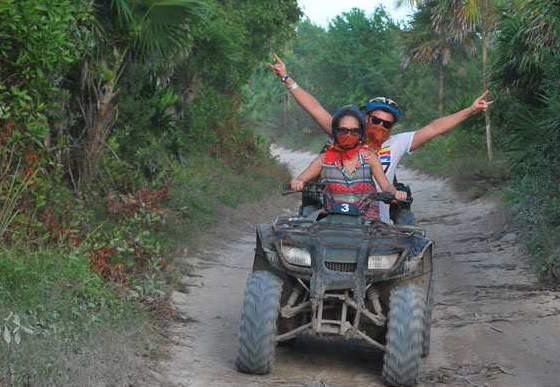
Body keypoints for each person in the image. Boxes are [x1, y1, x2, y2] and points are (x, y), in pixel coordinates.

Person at [270, 54, 493, 221]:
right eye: (376, 120)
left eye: (387, 123)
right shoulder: (345, 133)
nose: (380, 127)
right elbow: (315, 108)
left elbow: (434, 128)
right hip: (334, 212)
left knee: (405, 250)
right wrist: (287, 78)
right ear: (365, 118)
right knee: (301, 230)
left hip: (375, 217)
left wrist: (470, 110)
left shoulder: (396, 144)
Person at [290, 106, 407, 221]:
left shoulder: (370, 158)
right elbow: (301, 178)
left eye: (354, 131)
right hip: (331, 220)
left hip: (368, 222)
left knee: (388, 235)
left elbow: (386, 186)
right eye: (343, 131)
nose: (348, 135)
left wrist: (395, 192)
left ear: (361, 134)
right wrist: (298, 182)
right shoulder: (324, 159)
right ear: (335, 132)